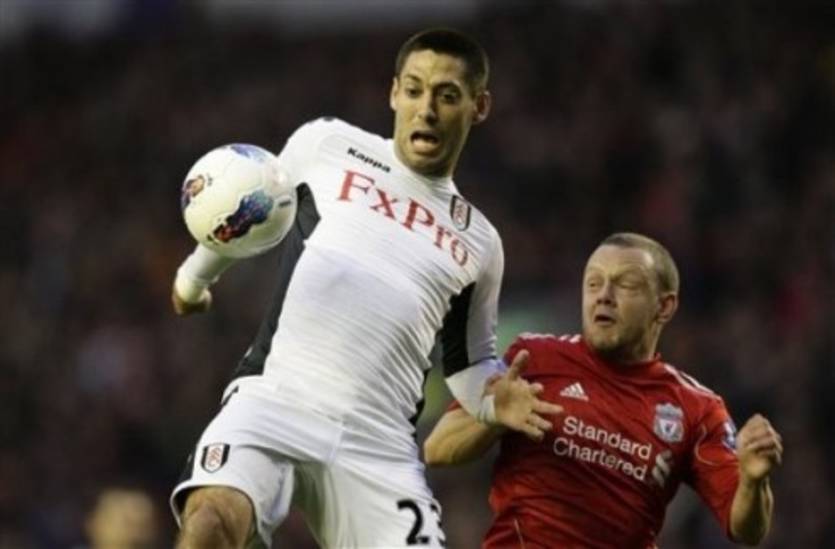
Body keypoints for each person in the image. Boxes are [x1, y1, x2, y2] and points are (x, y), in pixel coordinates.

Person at [169, 28, 561, 548]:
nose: (426, 110)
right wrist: (192, 279)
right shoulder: (328, 144)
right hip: (275, 400)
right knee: (211, 522)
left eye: (447, 96)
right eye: (415, 90)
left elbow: (469, 365)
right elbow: (252, 202)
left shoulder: (480, 241)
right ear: (394, 92)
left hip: (379, 446)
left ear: (479, 106)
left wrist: (492, 402)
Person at [424, 232, 783, 548]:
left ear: (664, 306)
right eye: (593, 283)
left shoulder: (696, 408)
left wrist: (754, 481)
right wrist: (492, 415)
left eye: (626, 285)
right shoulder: (534, 358)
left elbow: (747, 529)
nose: (604, 296)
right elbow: (437, 448)